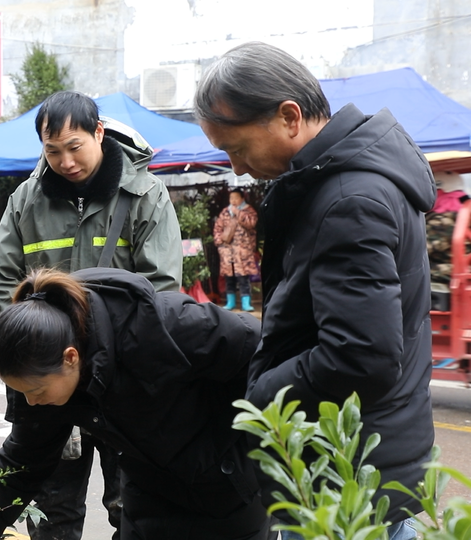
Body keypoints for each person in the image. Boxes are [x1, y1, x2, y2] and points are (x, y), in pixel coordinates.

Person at [194, 41, 435, 540]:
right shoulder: (339, 181)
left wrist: (259, 395)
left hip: (348, 477)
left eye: (237, 148)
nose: (236, 168)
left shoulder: (349, 198)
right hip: (365, 460)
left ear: (288, 116)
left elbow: (360, 356)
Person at [0, 90, 183, 540]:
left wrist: (104, 347)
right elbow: (0, 276)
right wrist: (37, 341)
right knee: (53, 510)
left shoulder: (145, 195)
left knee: (131, 506)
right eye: (52, 151)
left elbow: (162, 290)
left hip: (123, 381)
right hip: (49, 379)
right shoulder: (26, 200)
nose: (65, 161)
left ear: (98, 133)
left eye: (75, 147)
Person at [0, 267, 270, 540]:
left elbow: (262, 350)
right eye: (20, 391)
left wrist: (243, 445)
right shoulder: (35, 367)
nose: (31, 402)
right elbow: (27, 455)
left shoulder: (161, 327)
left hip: (227, 492)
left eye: (36, 390)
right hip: (148, 492)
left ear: (70, 357)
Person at [213, 187, 258, 311]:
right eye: (231, 198)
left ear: (242, 198)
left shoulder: (249, 211)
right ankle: (230, 302)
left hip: (243, 252)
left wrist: (238, 213)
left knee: (243, 279)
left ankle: (246, 303)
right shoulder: (224, 212)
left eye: (236, 198)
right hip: (228, 252)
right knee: (229, 279)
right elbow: (217, 229)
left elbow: (251, 223)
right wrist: (220, 244)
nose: (233, 201)